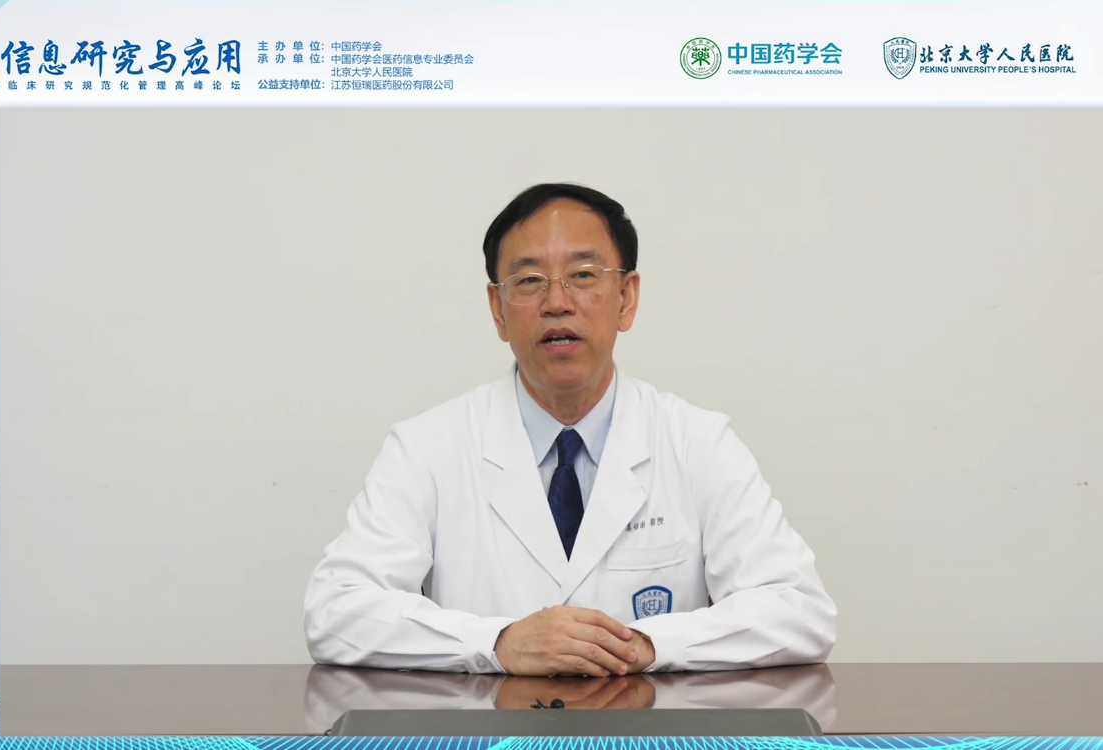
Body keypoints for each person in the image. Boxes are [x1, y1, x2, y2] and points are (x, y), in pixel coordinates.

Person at [304, 183, 836, 675]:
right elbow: (335, 611)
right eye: (529, 280)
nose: (556, 302)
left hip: (650, 730)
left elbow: (799, 610)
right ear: (497, 310)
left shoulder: (697, 442)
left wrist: (645, 644)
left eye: (583, 275)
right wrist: (495, 642)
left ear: (626, 297)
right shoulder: (427, 447)